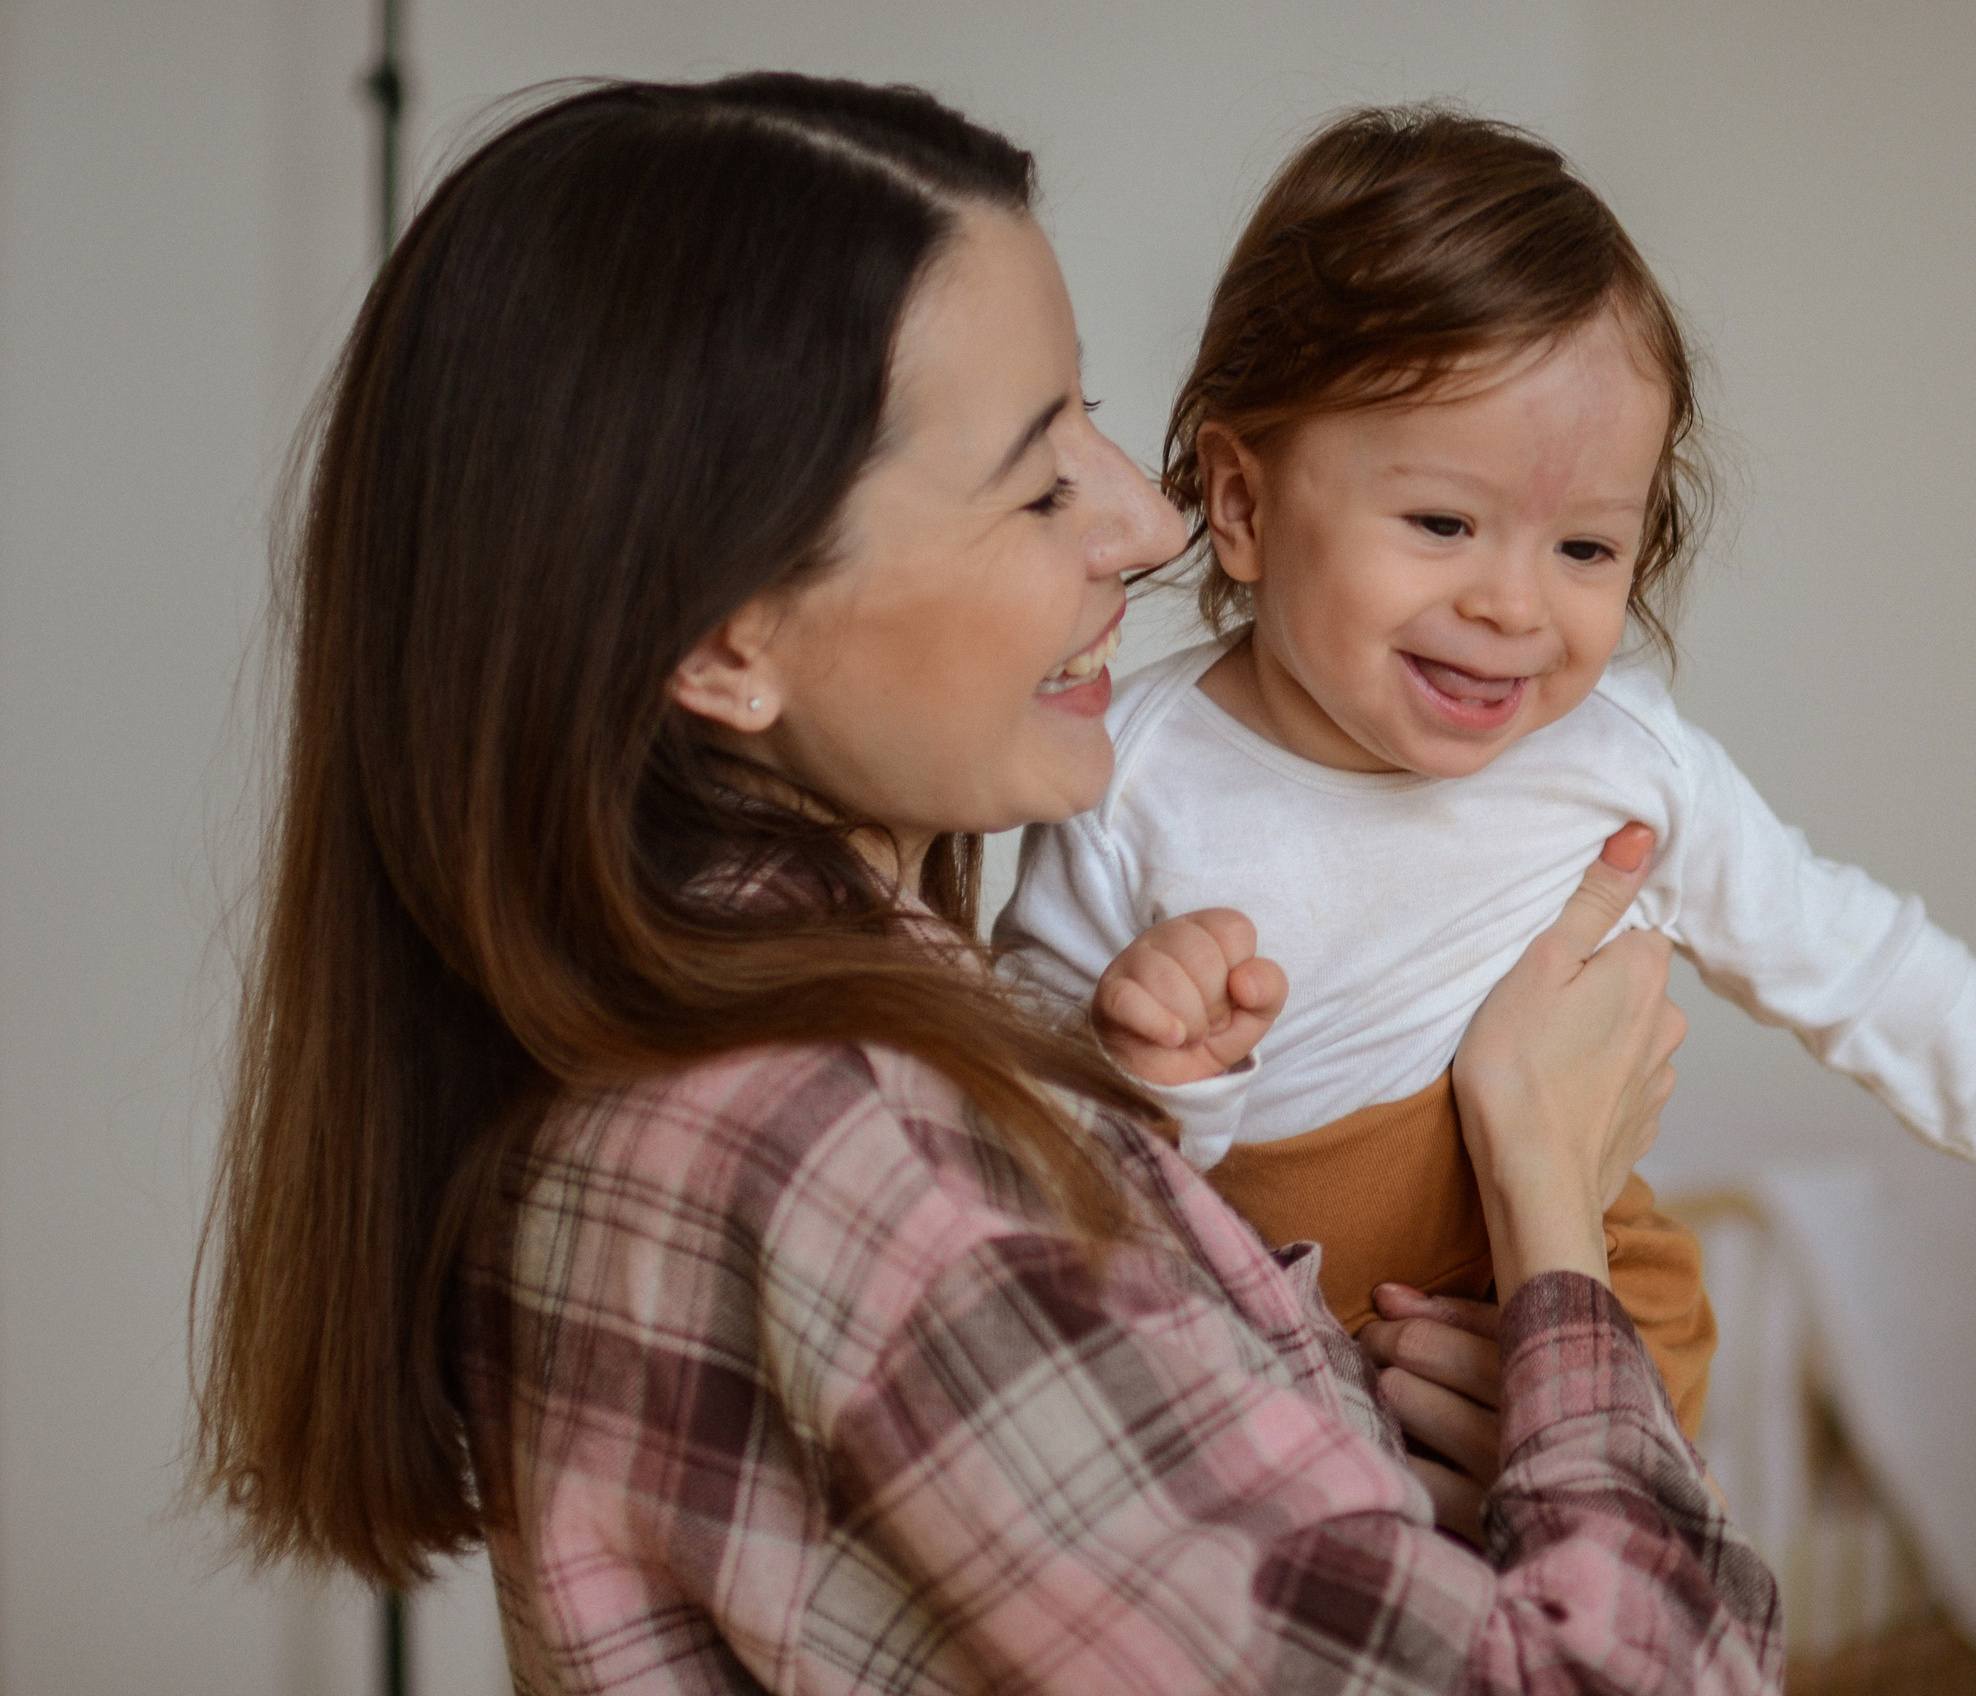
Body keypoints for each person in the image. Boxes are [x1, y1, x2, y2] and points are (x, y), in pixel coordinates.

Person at [191, 74, 1786, 1693]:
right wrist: (1546, 1200)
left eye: (1093, 416)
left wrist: (1413, 1476)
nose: (1149, 519)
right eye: (1040, 481)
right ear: (728, 640)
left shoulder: (683, 1072)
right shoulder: (863, 1152)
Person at [997, 107, 1976, 1435]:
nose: (1517, 605)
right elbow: (1034, 1160)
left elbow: (1846, 953)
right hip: (1259, 1331)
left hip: (1570, 1293)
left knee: (1654, 1368)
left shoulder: (1616, 759)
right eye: (1444, 523)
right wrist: (1153, 1068)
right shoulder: (1133, 779)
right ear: (1243, 502)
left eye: (1583, 550)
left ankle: (1600, 1572)